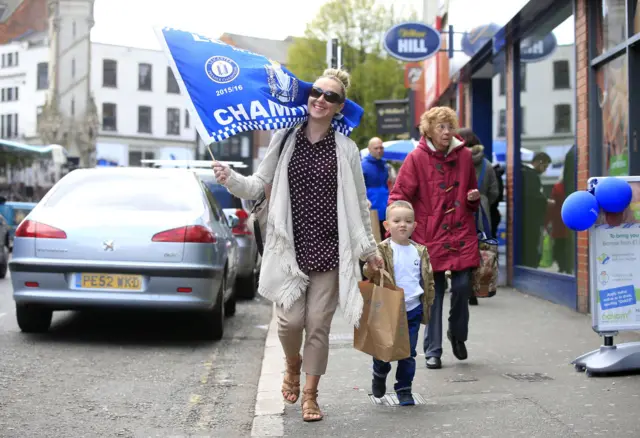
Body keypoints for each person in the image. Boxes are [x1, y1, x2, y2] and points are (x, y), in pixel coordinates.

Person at [212, 68, 384, 422]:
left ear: (339, 107)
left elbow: (360, 202)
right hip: (290, 249)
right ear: (308, 96)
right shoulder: (285, 138)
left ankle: (310, 395)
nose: (321, 100)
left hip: (332, 251)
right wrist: (231, 179)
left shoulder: (347, 149)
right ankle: (292, 363)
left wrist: (369, 250)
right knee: (290, 324)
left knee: (318, 325)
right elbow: (258, 185)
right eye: (316, 92)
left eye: (331, 97)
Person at [389, 106, 480, 370]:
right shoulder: (416, 158)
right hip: (429, 234)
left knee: (463, 287)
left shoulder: (464, 157)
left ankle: (457, 334)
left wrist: (472, 200)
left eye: (449, 126)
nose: (446, 131)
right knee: (434, 292)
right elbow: (400, 194)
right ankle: (433, 349)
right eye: (441, 126)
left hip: (461, 231)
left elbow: (471, 193)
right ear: (428, 129)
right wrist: (396, 227)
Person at [363, 200, 435, 406]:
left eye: (408, 221)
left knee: (408, 353)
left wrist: (428, 303)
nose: (402, 224)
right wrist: (372, 267)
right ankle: (379, 371)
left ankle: (404, 389)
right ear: (387, 225)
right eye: (397, 221)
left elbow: (427, 279)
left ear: (415, 225)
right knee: (384, 350)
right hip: (388, 308)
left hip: (412, 308)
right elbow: (368, 273)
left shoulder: (420, 251)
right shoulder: (381, 250)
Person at [457, 128, 499, 305]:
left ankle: (461, 285)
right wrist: (483, 201)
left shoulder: (456, 161)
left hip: (459, 208)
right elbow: (495, 191)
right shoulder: (487, 165)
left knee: (461, 248)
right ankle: (477, 288)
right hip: (482, 210)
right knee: (479, 249)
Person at [520, 152, 553, 268]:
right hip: (531, 219)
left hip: (529, 218)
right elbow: (532, 196)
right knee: (532, 244)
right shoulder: (530, 175)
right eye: (545, 166)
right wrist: (546, 201)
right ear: (539, 162)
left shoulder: (527, 173)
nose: (545, 170)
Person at [362, 137, 395, 236]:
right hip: (371, 206)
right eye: (376, 148)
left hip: (385, 204)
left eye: (381, 148)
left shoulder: (385, 165)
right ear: (369, 149)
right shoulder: (362, 166)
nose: (379, 151)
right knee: (375, 237)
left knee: (387, 236)